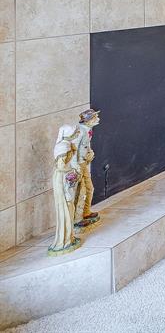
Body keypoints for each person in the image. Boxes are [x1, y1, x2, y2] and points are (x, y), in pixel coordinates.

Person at [48, 125, 81, 256]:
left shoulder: (67, 145)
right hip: (62, 179)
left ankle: (69, 237)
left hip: (62, 178)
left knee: (69, 207)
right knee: (66, 208)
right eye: (74, 133)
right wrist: (73, 173)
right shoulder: (63, 147)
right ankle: (65, 240)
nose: (75, 134)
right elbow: (61, 166)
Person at [73, 109, 101, 227]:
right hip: (79, 165)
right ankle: (77, 219)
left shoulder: (87, 130)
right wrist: (76, 167)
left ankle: (86, 212)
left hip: (83, 164)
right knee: (81, 191)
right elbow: (74, 150)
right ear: (89, 120)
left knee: (89, 188)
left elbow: (85, 147)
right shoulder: (79, 132)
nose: (98, 119)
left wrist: (90, 153)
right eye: (95, 117)